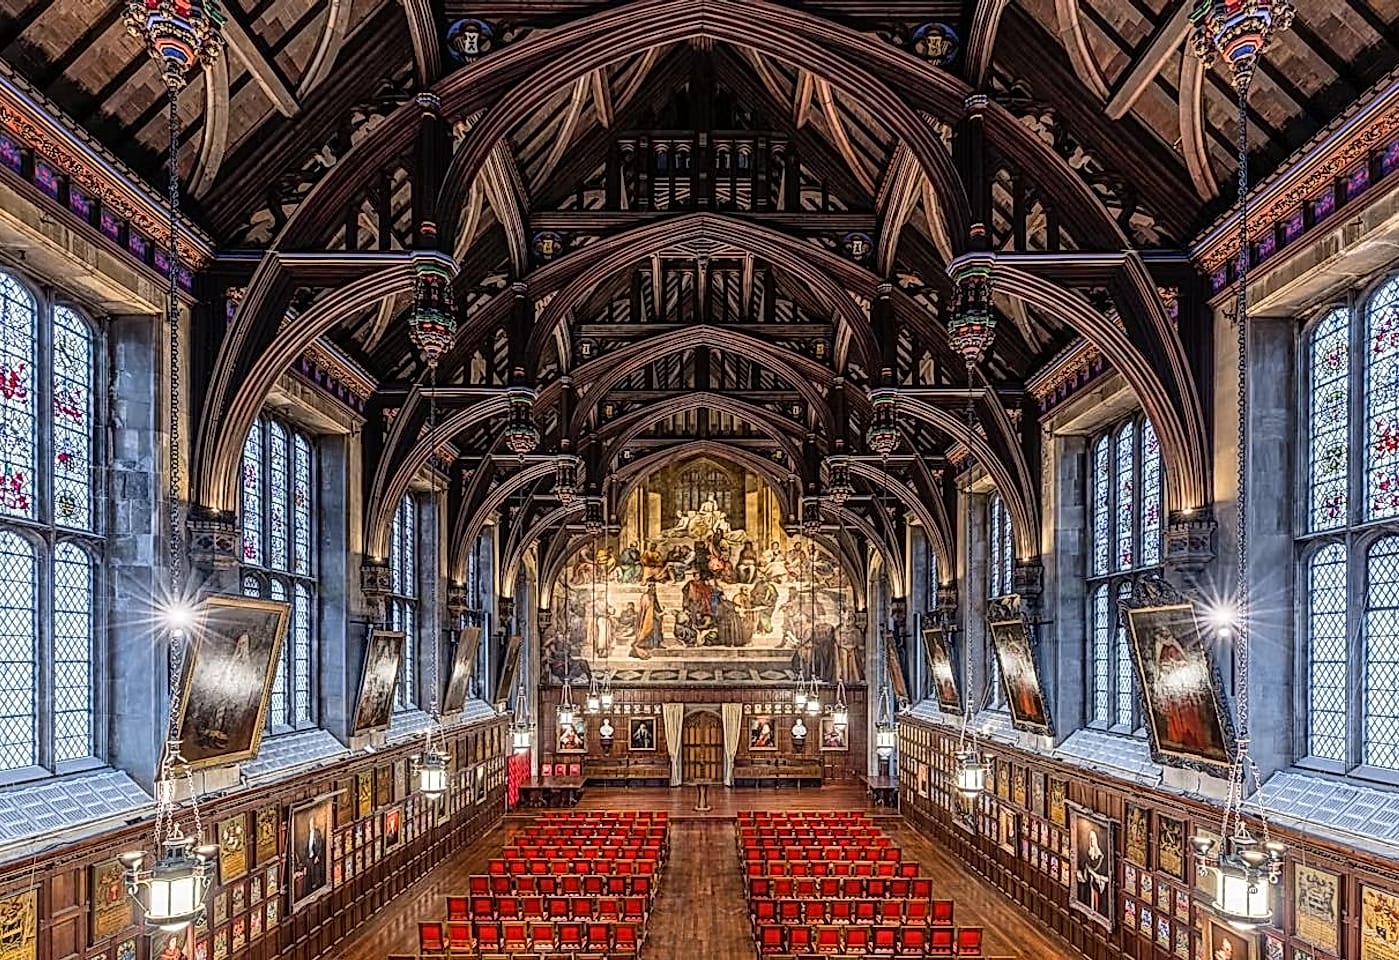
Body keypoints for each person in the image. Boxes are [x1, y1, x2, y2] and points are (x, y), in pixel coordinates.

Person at [1076, 827, 1109, 915]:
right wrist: (1081, 875)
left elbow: (1108, 878)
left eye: (1093, 839)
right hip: (1089, 887)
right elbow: (1085, 873)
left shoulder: (1103, 859)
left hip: (1099, 887)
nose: (1091, 842)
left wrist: (1099, 878)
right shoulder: (1086, 855)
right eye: (1090, 839)